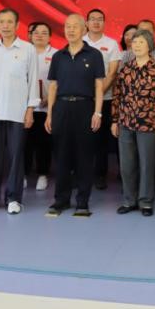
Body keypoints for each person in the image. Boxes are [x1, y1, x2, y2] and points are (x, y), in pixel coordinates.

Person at [0, 9, 38, 215]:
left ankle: (14, 198)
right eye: (2, 22)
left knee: (15, 156)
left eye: (10, 22)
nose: (5, 26)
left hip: (17, 111)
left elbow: (32, 82)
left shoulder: (28, 49)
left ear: (17, 25)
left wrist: (30, 110)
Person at [44, 14, 105, 216]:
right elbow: (53, 86)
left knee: (84, 156)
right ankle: (61, 200)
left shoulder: (94, 55)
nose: (70, 30)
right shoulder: (58, 56)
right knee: (61, 156)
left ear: (84, 29)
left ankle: (82, 201)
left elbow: (99, 86)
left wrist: (98, 112)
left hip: (85, 107)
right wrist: (49, 114)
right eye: (67, 26)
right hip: (61, 108)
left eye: (75, 26)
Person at [111, 29, 155, 216]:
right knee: (127, 165)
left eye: (141, 42)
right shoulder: (126, 68)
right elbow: (117, 96)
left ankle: (145, 202)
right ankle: (129, 200)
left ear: (149, 45)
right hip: (126, 121)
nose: (136, 45)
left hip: (149, 123)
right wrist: (115, 120)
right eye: (134, 42)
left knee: (147, 164)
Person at [83, 8, 122, 191]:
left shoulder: (111, 44)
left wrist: (98, 93)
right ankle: (81, 174)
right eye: (93, 19)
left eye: (100, 19)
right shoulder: (80, 42)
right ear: (86, 23)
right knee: (82, 138)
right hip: (83, 99)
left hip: (106, 99)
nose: (96, 22)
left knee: (101, 139)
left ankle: (100, 175)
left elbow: (113, 72)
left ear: (104, 23)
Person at [26, 22, 55, 191]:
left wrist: (48, 99)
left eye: (44, 33)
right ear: (31, 35)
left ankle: (43, 174)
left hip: (46, 108)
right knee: (25, 143)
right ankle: (23, 174)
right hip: (25, 108)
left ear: (50, 37)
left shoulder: (56, 55)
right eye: (36, 32)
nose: (39, 36)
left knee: (44, 143)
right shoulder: (24, 52)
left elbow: (59, 81)